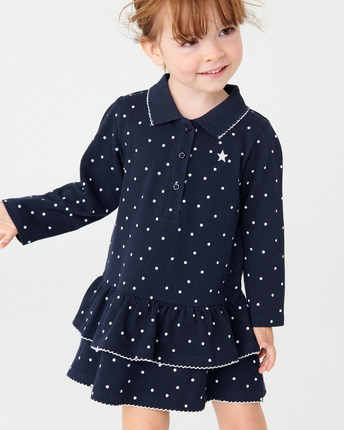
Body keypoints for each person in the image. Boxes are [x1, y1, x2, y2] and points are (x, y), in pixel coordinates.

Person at [0, 0, 285, 428]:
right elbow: (92, 193)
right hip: (139, 310)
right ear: (154, 50)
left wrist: (263, 315)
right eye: (190, 41)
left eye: (226, 31)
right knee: (144, 419)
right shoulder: (130, 117)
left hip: (215, 309)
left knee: (242, 414)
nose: (214, 52)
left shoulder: (253, 134)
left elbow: (264, 232)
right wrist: (17, 214)